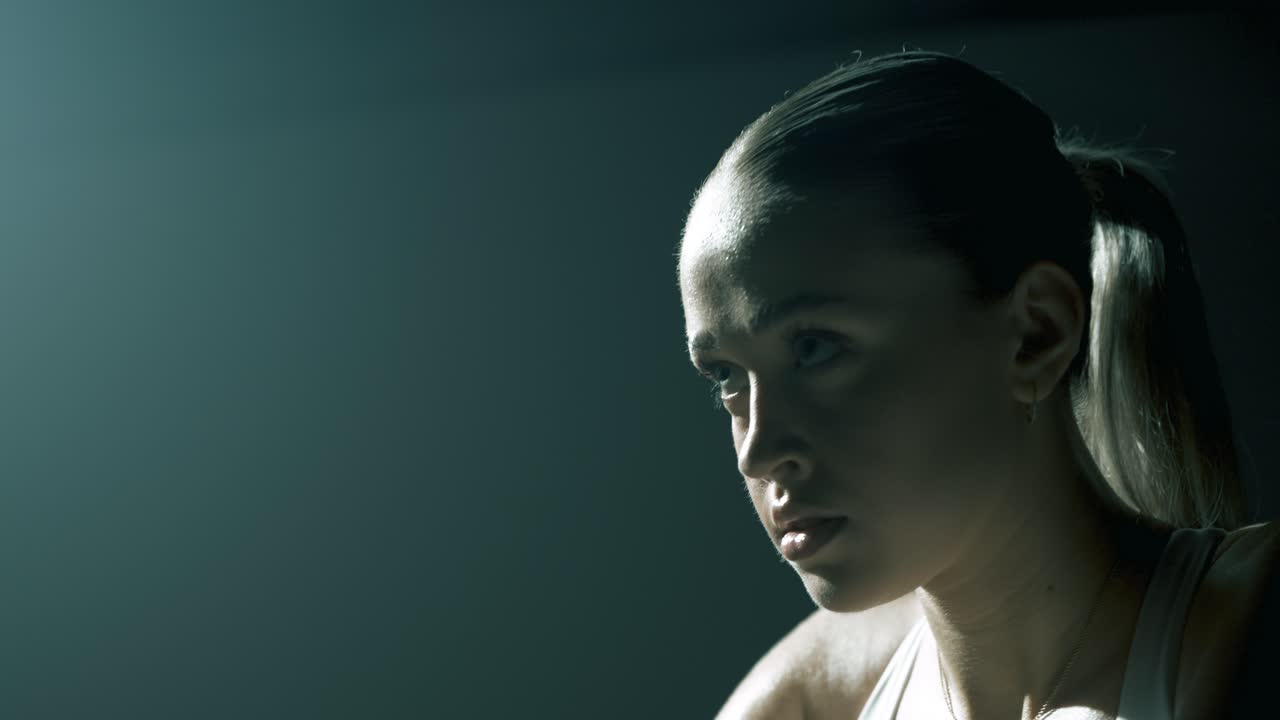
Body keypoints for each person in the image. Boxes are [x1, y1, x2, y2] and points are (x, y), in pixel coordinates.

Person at [676, 49, 1279, 719]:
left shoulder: (1251, 624)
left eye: (815, 348)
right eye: (726, 376)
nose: (758, 453)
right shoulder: (809, 700)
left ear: (1035, 335)